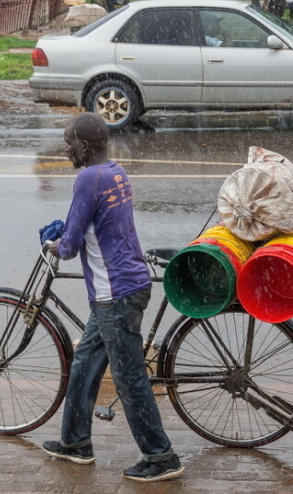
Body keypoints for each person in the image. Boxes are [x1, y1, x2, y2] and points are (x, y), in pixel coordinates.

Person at [41, 113, 184, 483]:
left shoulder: (88, 177)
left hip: (115, 295)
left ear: (85, 146)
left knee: (129, 377)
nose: (66, 146)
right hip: (125, 286)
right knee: (85, 362)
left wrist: (53, 243)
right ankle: (75, 443)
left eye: (69, 141)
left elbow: (71, 244)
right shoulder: (115, 171)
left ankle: (161, 456)